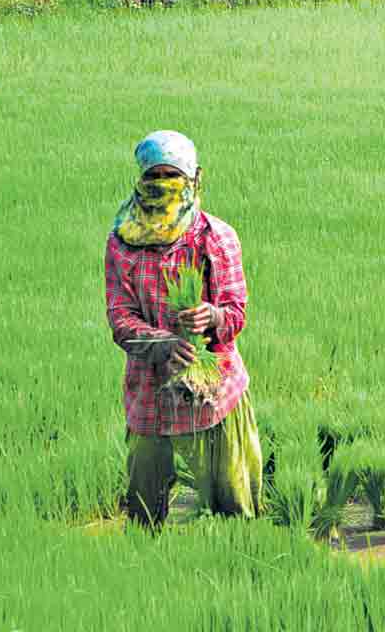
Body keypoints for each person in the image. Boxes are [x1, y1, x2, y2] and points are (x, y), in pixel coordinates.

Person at [105, 130, 262, 526]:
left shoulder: (214, 237)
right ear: (140, 180)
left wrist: (212, 317)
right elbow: (120, 318)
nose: (162, 187)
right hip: (149, 393)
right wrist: (161, 344)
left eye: (172, 178)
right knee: (143, 510)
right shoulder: (123, 241)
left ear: (195, 180)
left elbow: (236, 312)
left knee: (234, 506)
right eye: (153, 178)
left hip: (214, 393)